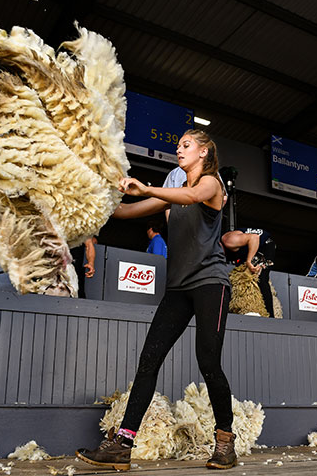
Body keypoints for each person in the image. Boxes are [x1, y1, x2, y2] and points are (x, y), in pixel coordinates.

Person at [76, 129, 237, 471]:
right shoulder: (174, 193)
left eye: (186, 145)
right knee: (148, 361)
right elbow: (123, 212)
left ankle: (225, 442)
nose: (179, 149)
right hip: (178, 288)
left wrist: (146, 186)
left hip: (211, 284)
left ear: (204, 152)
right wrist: (92, 194)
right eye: (178, 145)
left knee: (208, 362)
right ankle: (122, 445)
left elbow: (193, 196)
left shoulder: (211, 185)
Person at [222, 228, 276, 318]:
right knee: (240, 276)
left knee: (261, 278)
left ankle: (270, 316)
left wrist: (249, 261)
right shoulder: (226, 247)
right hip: (249, 250)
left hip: (264, 245)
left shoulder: (228, 240)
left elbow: (254, 238)